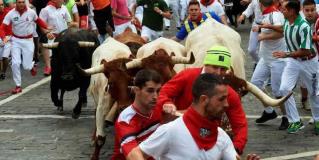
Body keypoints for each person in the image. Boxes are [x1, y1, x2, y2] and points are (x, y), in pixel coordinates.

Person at [156, 45, 247, 154]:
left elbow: (240, 124)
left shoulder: (230, 94)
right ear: (205, 64)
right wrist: (166, 103)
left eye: (223, 69)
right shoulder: (187, 75)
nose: (218, 73)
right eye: (214, 67)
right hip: (178, 132)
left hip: (208, 139)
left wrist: (236, 148)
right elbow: (163, 92)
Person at [127, 74, 237, 159]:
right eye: (221, 99)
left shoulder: (221, 136)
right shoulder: (171, 130)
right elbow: (134, 154)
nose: (227, 104)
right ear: (204, 99)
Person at [272, 0, 319, 134]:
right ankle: (295, 121)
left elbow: (306, 50)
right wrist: (269, 26)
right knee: (284, 89)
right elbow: (284, 28)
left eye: (285, 9)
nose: (282, 11)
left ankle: (317, 120)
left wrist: (286, 54)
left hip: (309, 62)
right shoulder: (288, 20)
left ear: (292, 11)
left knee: (314, 93)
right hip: (293, 61)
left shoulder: (303, 26)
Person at [250, 0, 288, 130]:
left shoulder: (275, 15)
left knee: (278, 91)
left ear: (260, 4)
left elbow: (282, 32)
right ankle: (269, 111)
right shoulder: (266, 15)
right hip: (265, 59)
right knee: (255, 84)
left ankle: (287, 117)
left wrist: (263, 37)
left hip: (277, 59)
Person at [111, 69, 163, 160]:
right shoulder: (125, 120)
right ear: (136, 90)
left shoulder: (160, 108)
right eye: (150, 91)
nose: (155, 96)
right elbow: (132, 155)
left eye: (158, 91)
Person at [0, 0, 50, 94]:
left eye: (23, 2)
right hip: (16, 41)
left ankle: (31, 66)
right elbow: (2, 27)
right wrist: (3, 38)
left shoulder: (31, 12)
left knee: (26, 66)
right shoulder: (11, 13)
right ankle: (18, 86)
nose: (21, 4)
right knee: (15, 63)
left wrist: (47, 27)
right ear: (16, 3)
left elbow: (38, 21)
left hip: (28, 41)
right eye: (19, 2)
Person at [39, 0, 72, 76]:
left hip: (64, 36)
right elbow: (41, 24)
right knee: (43, 40)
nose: (63, 0)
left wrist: (69, 30)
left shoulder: (64, 8)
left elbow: (69, 22)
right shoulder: (45, 10)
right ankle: (48, 66)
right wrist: (47, 33)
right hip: (52, 36)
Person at [237, 0, 263, 66]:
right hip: (256, 25)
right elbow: (249, 10)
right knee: (251, 50)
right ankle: (258, 62)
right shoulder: (254, 1)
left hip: (267, 26)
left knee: (264, 49)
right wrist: (242, 16)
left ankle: (261, 66)